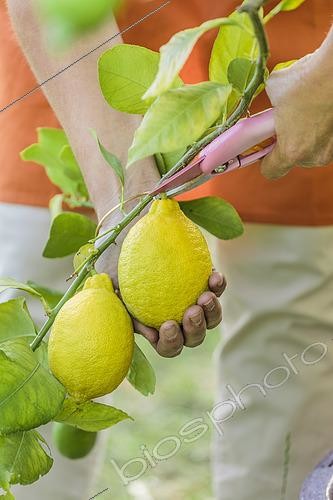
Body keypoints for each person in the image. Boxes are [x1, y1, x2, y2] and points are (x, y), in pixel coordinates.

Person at [4, 0, 333, 498]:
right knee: (31, 277)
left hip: (289, 29)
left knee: (288, 299)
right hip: (94, 18)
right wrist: (124, 201)